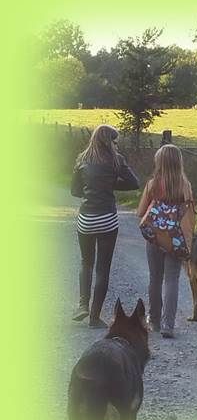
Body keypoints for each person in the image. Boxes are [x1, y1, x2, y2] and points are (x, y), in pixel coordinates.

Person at [71, 125, 140, 327]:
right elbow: (134, 182)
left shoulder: (82, 159)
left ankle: (83, 305)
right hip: (107, 218)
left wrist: (92, 188)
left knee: (86, 262)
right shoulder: (116, 160)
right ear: (109, 141)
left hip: (86, 218)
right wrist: (110, 185)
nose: (117, 144)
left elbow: (75, 191)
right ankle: (94, 317)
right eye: (115, 141)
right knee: (103, 269)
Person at [137, 144, 195, 339]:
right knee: (172, 280)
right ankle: (168, 325)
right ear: (179, 162)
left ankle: (154, 321)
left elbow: (140, 212)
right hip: (176, 240)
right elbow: (189, 213)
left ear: (159, 162)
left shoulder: (152, 184)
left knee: (155, 278)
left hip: (155, 239)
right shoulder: (185, 186)